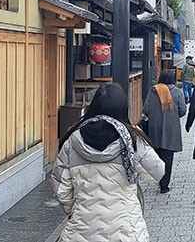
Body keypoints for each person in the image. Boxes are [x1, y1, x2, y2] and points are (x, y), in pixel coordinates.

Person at [52, 83, 164, 241]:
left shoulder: (73, 141)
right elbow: (158, 172)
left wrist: (76, 210)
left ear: (93, 106)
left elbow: (61, 188)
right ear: (123, 109)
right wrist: (141, 141)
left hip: (82, 231)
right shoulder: (131, 141)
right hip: (126, 231)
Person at [141, 69, 186, 193]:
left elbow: (146, 109)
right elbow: (182, 110)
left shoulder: (153, 90)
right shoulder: (176, 92)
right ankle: (164, 185)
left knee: (157, 155)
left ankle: (159, 177)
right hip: (171, 128)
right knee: (168, 156)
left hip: (154, 127)